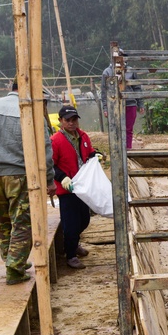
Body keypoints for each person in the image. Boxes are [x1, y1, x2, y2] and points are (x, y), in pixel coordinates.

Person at [0, 80, 54, 285]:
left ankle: (12, 259)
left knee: (2, 218)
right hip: (19, 174)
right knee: (22, 221)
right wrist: (49, 179)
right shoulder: (31, 111)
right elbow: (45, 149)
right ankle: (15, 269)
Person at [52, 105, 99, 270]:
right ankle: (70, 255)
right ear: (61, 121)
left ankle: (74, 243)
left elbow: (89, 152)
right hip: (67, 188)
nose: (72, 123)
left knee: (84, 220)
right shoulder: (55, 140)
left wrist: (95, 155)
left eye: (74, 120)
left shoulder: (83, 136)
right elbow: (51, 164)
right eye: (68, 120)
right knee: (70, 223)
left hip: (83, 186)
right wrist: (62, 177)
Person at [101, 50, 142, 149]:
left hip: (130, 103)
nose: (120, 59)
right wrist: (105, 108)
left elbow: (137, 88)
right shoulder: (107, 72)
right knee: (115, 128)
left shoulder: (131, 71)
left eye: (122, 57)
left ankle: (128, 149)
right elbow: (104, 92)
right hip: (113, 104)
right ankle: (117, 150)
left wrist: (141, 104)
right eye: (118, 57)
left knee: (128, 129)